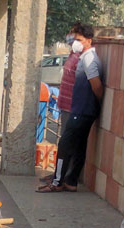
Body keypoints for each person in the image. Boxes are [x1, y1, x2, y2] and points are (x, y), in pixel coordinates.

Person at [38, 23, 103, 194]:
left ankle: (57, 182)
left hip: (82, 110)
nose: (75, 42)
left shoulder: (89, 59)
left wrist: (95, 102)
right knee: (79, 146)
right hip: (82, 110)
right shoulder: (84, 57)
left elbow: (96, 86)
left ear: (89, 40)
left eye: (79, 39)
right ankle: (71, 181)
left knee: (65, 145)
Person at [40, 25, 80, 184]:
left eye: (74, 35)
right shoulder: (72, 54)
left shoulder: (83, 57)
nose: (70, 37)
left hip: (73, 107)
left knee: (67, 144)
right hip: (64, 105)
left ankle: (63, 177)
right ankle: (58, 173)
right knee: (63, 142)